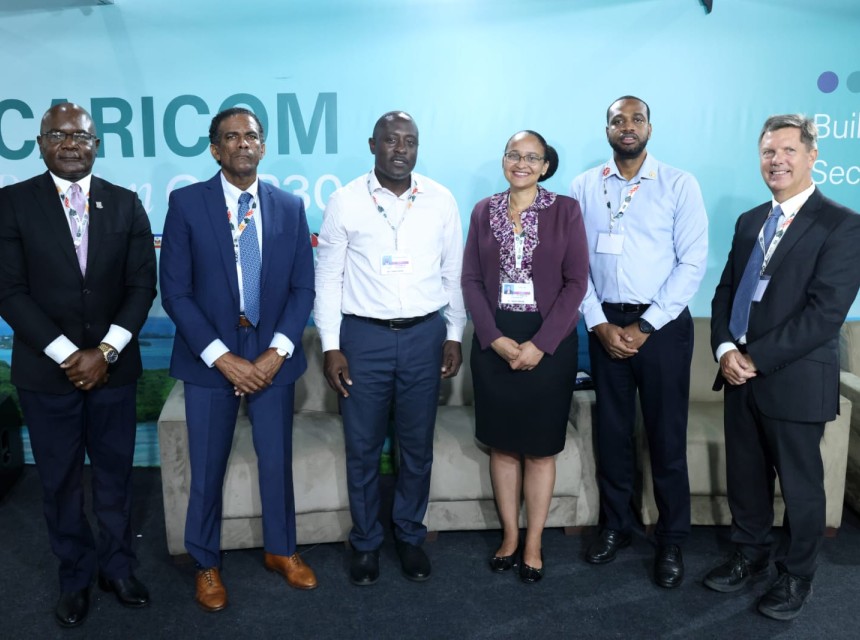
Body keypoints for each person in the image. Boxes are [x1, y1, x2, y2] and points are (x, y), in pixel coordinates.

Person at [0, 103, 157, 627]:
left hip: (114, 370)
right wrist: (70, 355)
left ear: (97, 144)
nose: (71, 143)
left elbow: (141, 287)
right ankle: (74, 576)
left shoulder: (127, 204)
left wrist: (105, 351)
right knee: (60, 481)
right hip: (48, 375)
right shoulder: (11, 204)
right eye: (59, 135)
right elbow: (10, 291)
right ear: (40, 142)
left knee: (114, 477)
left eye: (81, 136)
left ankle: (117, 567)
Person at [159, 107, 316, 612]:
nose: (242, 144)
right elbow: (176, 292)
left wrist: (278, 352)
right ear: (214, 148)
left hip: (273, 356)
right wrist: (221, 357)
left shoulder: (290, 206)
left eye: (251, 136)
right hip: (211, 357)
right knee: (206, 467)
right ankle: (206, 562)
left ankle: (282, 550)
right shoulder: (186, 203)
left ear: (263, 146)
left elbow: (302, 287)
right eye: (231, 137)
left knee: (276, 461)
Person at [707, 114, 860, 620]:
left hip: (794, 376)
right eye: (769, 151)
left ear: (813, 156)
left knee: (800, 486)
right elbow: (727, 290)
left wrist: (755, 357)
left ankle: (797, 575)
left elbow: (825, 313)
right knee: (746, 478)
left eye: (789, 150)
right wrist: (726, 350)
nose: (777, 160)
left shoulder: (841, 223)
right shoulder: (751, 220)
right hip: (739, 375)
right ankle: (749, 554)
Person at [314, 111, 466, 586]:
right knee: (361, 448)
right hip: (364, 339)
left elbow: (454, 274)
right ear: (372, 144)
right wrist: (331, 346)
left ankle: (409, 536)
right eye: (391, 140)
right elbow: (327, 278)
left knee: (416, 447)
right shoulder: (344, 202)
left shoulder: (440, 200)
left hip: (424, 336)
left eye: (410, 141)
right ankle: (365, 542)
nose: (401, 149)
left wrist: (455, 333)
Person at [570, 95, 708, 588]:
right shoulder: (584, 186)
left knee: (666, 438)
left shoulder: (679, 184)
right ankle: (616, 526)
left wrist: (646, 326)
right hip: (605, 324)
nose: (627, 127)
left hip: (663, 328)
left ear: (650, 126)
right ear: (606, 128)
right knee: (612, 434)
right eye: (617, 120)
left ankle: (671, 539)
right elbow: (575, 265)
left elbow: (692, 263)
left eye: (636, 119)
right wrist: (599, 325)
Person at [461, 130, 589, 583]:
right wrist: (492, 337)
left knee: (538, 449)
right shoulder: (482, 212)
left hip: (548, 342)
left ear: (546, 166)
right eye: (514, 154)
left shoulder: (566, 212)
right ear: (504, 160)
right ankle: (509, 537)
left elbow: (577, 283)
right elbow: (471, 281)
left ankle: (534, 541)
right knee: (502, 447)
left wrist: (541, 344)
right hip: (495, 342)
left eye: (532, 157)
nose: (522, 163)